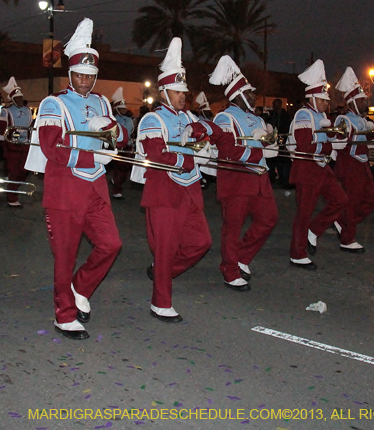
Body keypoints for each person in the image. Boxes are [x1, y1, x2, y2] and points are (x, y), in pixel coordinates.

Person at [25, 18, 126, 340]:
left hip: (95, 184)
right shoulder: (53, 103)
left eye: (90, 75)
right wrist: (91, 156)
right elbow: (51, 147)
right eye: (80, 74)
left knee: (111, 244)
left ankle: (79, 287)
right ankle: (64, 315)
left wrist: (111, 130)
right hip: (65, 187)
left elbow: (121, 137)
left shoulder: (101, 102)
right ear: (70, 74)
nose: (85, 80)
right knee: (64, 256)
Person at [133, 37, 212, 322]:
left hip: (189, 190)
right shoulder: (152, 120)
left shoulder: (188, 116)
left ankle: (162, 271)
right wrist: (185, 155)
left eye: (184, 91)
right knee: (166, 248)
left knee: (201, 242)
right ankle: (160, 301)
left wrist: (200, 129)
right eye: (178, 91)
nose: (183, 95)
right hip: (165, 191)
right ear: (165, 91)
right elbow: (156, 154)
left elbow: (209, 129)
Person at [209, 55, 278, 291]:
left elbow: (267, 149)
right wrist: (259, 150)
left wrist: (270, 141)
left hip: (260, 178)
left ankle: (241, 257)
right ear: (236, 95)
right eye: (249, 93)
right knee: (232, 227)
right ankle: (229, 270)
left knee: (269, 219)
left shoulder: (256, 117)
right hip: (237, 180)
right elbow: (228, 151)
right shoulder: (224, 117)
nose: (253, 96)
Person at [286, 60, 347, 269]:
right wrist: (331, 147)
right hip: (307, 169)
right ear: (312, 97)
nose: (325, 103)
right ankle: (297, 252)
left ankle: (314, 230)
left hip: (321, 167)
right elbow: (305, 146)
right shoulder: (303, 114)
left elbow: (326, 139)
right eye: (322, 99)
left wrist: (337, 139)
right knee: (304, 212)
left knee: (340, 199)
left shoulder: (321, 115)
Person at [331, 67, 374, 252]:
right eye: (360, 100)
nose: (364, 103)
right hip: (350, 163)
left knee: (371, 199)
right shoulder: (344, 119)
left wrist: (371, 134)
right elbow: (340, 142)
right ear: (351, 103)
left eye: (364, 100)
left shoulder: (361, 119)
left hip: (362, 162)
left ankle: (342, 221)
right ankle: (347, 238)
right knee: (352, 202)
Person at [0, 77, 31, 207]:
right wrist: (4, 146)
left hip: (26, 145)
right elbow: (1, 130)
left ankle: (13, 189)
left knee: (25, 171)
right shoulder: (6, 111)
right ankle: (12, 197)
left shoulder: (28, 110)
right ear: (12, 99)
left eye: (21, 98)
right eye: (17, 98)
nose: (20, 100)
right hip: (12, 146)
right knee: (14, 172)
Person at [108, 87, 134, 200]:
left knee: (126, 168)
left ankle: (116, 182)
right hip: (117, 147)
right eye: (121, 109)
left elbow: (132, 132)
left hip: (128, 146)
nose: (124, 110)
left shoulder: (129, 120)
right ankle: (117, 190)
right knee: (120, 168)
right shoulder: (113, 120)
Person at [268, 98, 292, 187]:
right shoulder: (273, 115)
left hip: (283, 140)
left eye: (276, 105)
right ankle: (276, 177)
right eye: (274, 105)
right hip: (274, 140)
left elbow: (286, 128)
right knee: (275, 160)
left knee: (284, 161)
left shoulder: (285, 115)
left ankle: (284, 180)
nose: (274, 107)